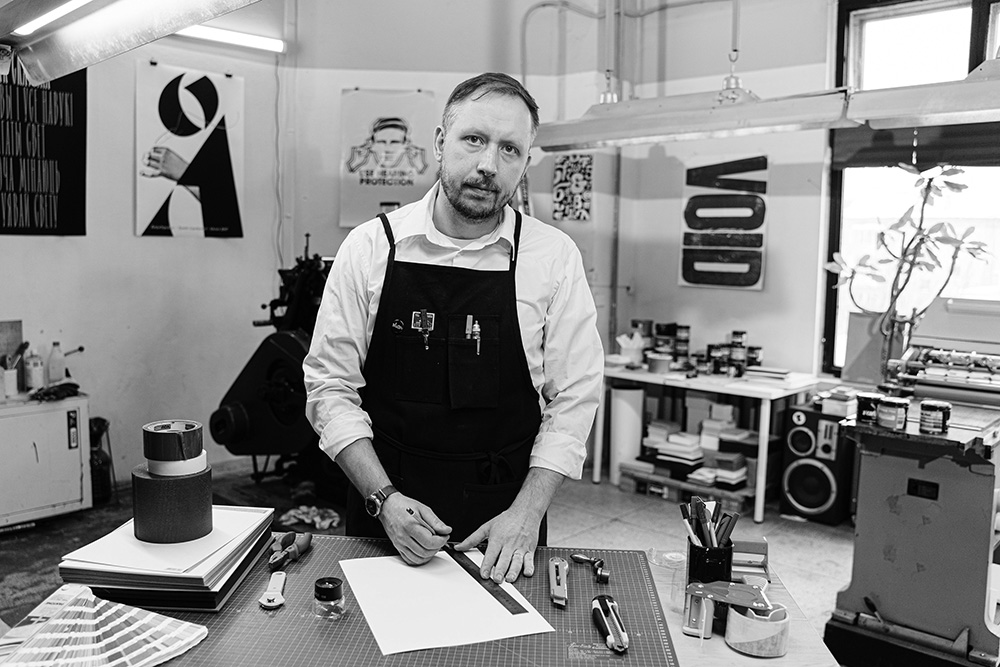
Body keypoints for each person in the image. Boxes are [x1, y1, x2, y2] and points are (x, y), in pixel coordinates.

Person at [303, 72, 603, 585]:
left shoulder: (553, 257)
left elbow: (574, 397)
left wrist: (527, 513)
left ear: (526, 163)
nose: (489, 165)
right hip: (385, 511)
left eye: (510, 149)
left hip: (505, 521)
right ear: (441, 143)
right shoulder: (370, 247)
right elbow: (329, 388)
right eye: (474, 140)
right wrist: (384, 499)